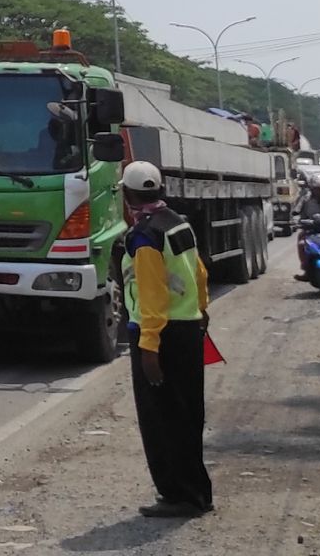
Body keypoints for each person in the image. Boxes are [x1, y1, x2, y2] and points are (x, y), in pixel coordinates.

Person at [121, 161, 214, 518]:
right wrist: (201, 308)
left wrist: (149, 347)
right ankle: (197, 492)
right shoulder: (178, 222)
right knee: (188, 414)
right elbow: (199, 271)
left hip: (161, 335)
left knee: (161, 419)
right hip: (188, 328)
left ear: (127, 195)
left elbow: (151, 295)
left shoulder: (145, 236)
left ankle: (179, 494)